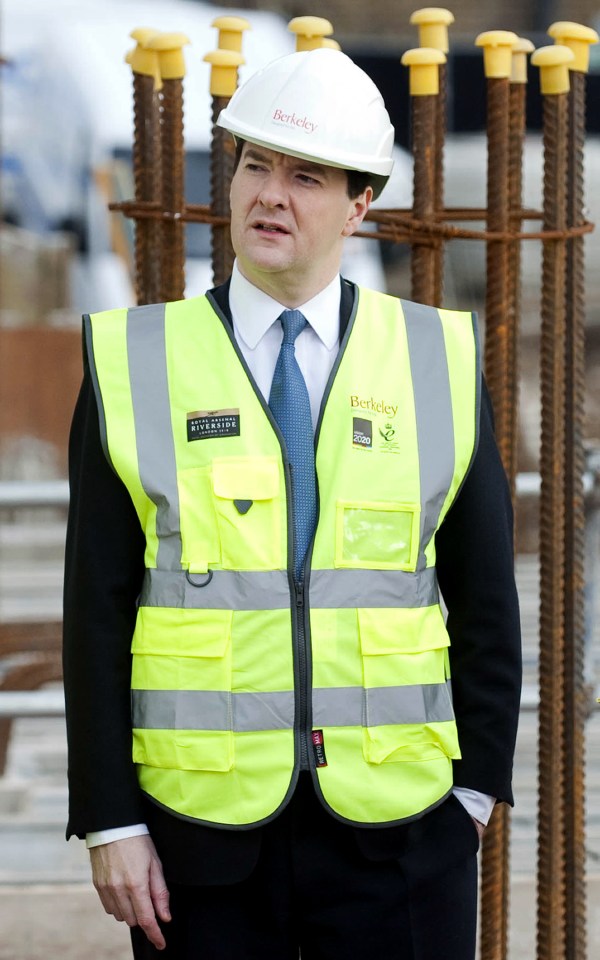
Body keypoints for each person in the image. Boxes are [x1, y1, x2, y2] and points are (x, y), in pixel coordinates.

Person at [63, 48, 521, 960]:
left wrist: (472, 796)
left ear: (360, 205)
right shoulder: (132, 360)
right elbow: (96, 607)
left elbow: (485, 600)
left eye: (306, 175)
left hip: (401, 833)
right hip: (198, 832)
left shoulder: (433, 357)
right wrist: (111, 820)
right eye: (254, 165)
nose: (271, 194)